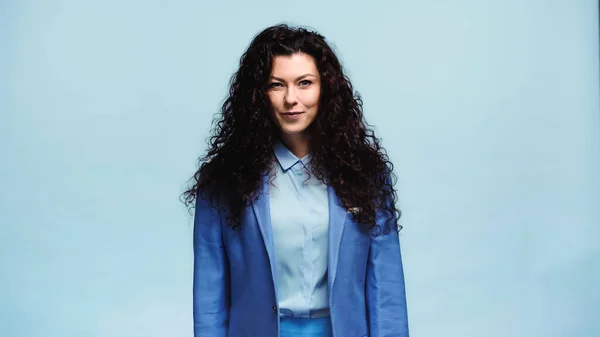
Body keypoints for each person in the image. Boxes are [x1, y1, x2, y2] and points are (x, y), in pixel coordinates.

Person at [183, 23, 409, 337]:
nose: (292, 98)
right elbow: (210, 293)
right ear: (258, 94)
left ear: (325, 88)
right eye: (277, 85)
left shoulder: (365, 175)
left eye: (305, 83)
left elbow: (386, 289)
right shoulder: (222, 180)